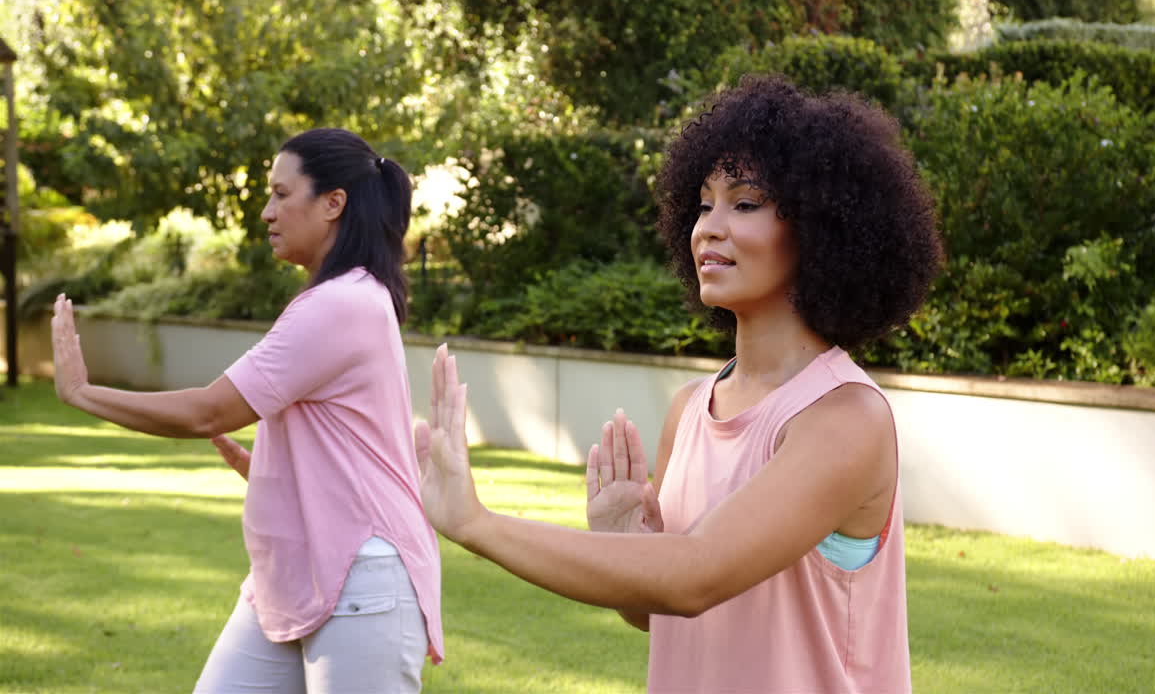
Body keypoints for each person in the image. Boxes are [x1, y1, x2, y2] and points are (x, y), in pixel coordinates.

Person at [417, 75, 943, 692]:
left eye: (744, 203)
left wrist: (478, 524)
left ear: (821, 229)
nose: (708, 228)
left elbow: (695, 577)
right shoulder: (691, 408)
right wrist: (623, 540)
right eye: (703, 204)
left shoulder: (845, 417)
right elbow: (654, 607)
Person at [50, 128, 443, 693]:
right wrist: (281, 473)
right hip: (292, 576)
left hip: (362, 579)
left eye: (282, 195)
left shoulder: (342, 304)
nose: (266, 212)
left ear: (334, 203)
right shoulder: (342, 298)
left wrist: (84, 392)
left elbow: (208, 411)